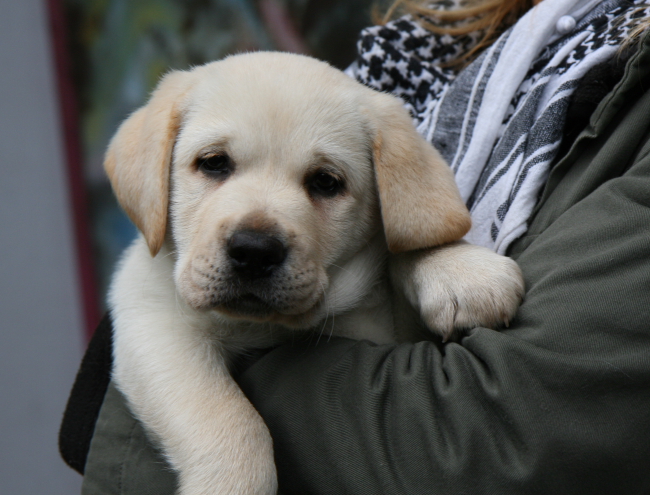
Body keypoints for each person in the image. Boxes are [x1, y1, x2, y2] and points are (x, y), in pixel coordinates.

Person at [60, 0, 650, 493]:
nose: (256, 237)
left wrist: (428, 256)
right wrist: (227, 460)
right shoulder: (439, 39)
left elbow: (415, 217)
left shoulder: (382, 130)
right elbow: (150, 331)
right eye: (214, 164)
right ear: (156, 173)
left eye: (324, 182)